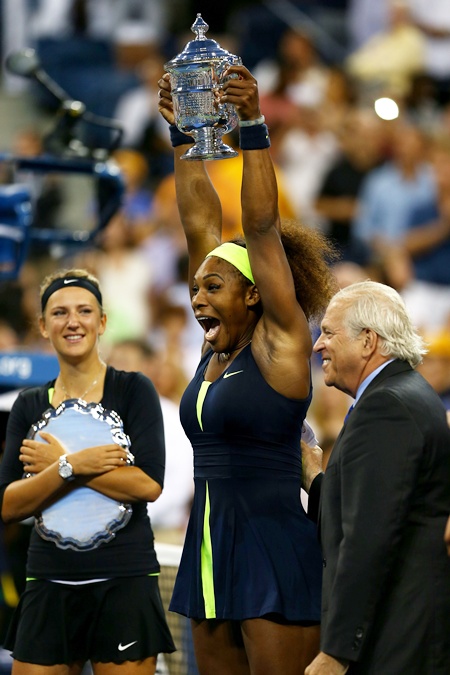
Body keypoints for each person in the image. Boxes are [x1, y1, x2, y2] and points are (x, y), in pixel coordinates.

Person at [158, 64, 338, 675]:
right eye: (196, 286)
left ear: (256, 294)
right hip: (209, 547)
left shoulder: (279, 343)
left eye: (213, 287)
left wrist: (255, 124)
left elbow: (258, 225)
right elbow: (200, 224)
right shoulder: (216, 349)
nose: (196, 296)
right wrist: (185, 137)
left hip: (273, 547)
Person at [0, 268, 175, 674]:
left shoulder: (134, 390)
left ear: (103, 322)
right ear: (43, 326)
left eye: (84, 310)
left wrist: (61, 468)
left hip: (125, 582)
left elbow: (147, 484)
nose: (73, 321)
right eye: (59, 313)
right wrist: (72, 465)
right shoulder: (27, 404)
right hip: (48, 581)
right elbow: (8, 506)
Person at [302, 280, 450, 675]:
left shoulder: (387, 406)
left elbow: (368, 538)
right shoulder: (403, 393)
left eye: (329, 333)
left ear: (367, 341)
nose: (318, 345)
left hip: (398, 637)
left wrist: (336, 650)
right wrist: (317, 480)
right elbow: (368, 511)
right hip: (400, 630)